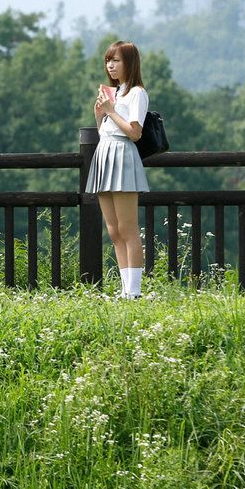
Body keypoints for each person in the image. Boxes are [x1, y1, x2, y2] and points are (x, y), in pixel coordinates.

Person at [87, 41, 149, 299]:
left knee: (128, 228)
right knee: (113, 230)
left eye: (116, 60)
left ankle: (134, 292)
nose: (110, 66)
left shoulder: (136, 93)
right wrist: (99, 114)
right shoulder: (116, 92)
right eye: (108, 61)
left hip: (123, 155)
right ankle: (125, 290)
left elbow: (135, 132)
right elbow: (105, 132)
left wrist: (111, 112)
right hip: (105, 154)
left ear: (130, 63)